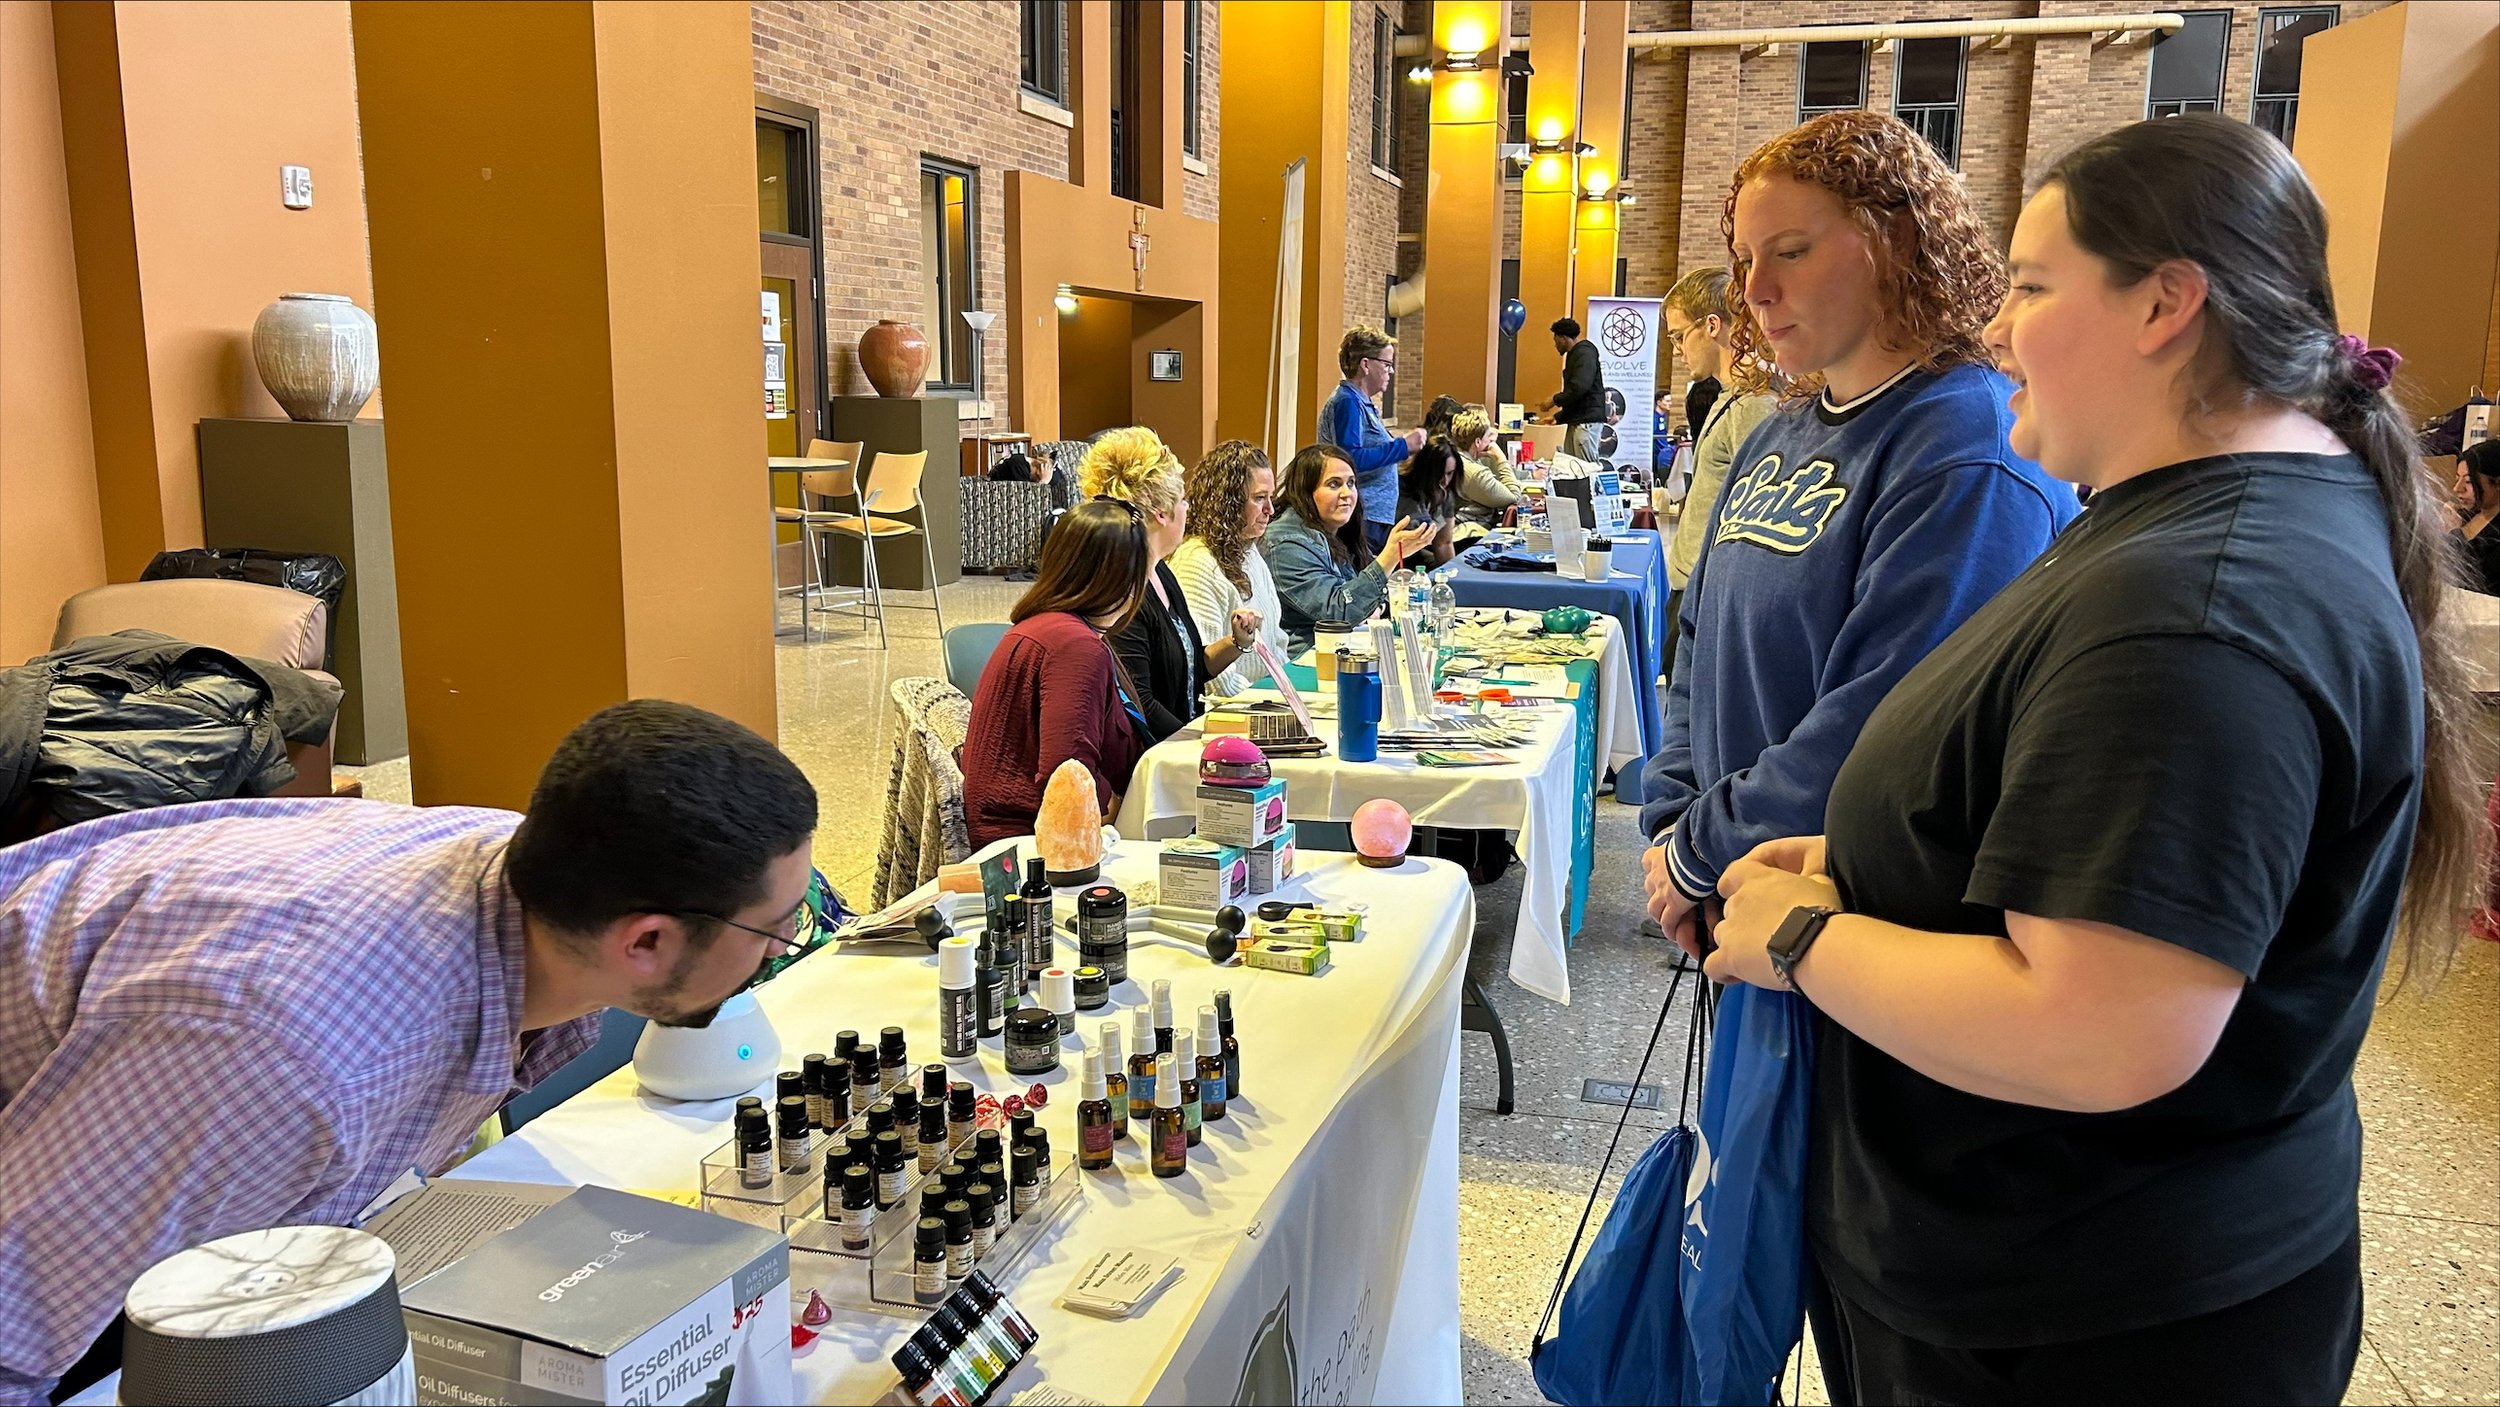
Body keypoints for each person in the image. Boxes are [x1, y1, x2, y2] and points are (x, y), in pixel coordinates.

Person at [1705, 114, 2491, 1405]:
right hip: (2068, 1269)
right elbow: (2108, 835)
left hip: (2084, 1310)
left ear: (2165, 306)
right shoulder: (2189, 520)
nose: (1999, 327)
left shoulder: (2196, 607)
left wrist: (1802, 937)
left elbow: (2105, 1032)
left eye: (2030, 285)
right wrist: (1877, 861)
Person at [0, 700, 819, 1403]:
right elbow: (13, 1336)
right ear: (644, 939)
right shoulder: (301, 1056)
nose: (784, 945)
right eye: (776, 926)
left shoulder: (512, 869)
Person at [1640, 109, 2076, 959]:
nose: (1756, 289)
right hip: (1752, 905)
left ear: (1896, 243)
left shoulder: (1968, 448)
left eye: (1791, 252)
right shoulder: (1780, 429)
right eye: (1746, 260)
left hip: (1873, 938)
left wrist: (1704, 848)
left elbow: (1888, 719)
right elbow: (1702, 637)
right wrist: (1672, 825)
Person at [962, 500, 1155, 847]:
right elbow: (1069, 780)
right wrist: (1129, 810)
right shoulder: (1075, 647)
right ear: (1122, 581)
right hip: (1035, 849)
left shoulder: (1046, 627)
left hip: (1025, 836)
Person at [1079, 428, 1260, 740]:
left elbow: (1189, 667)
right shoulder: (1123, 589)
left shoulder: (1161, 572)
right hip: (1154, 758)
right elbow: (1141, 705)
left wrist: (1236, 642)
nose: (1187, 508)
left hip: (1178, 743)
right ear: (1161, 513)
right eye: (1183, 500)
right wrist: (1198, 743)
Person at [1661, 265, 1781, 668]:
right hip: (1692, 585)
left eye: (1679, 336)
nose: (1678, 351)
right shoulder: (1727, 397)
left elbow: (1757, 519)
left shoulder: (1755, 405)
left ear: (1712, 325)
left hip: (1708, 593)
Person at [1260, 444, 1436, 652]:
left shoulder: (1338, 529)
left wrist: (1374, 606)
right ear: (1306, 491)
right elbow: (1338, 613)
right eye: (1334, 484)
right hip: (1306, 662)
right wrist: (1389, 557)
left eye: (1351, 483)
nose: (1347, 493)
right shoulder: (1284, 544)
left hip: (1346, 649)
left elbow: (1374, 594)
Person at [1170, 439, 1293, 697]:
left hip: (1264, 698)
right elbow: (1211, 675)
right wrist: (1262, 701)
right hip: (1231, 709)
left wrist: (1288, 694)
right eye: (1260, 498)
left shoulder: (1249, 551)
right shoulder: (1196, 562)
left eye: (1271, 497)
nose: (1270, 510)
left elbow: (1277, 641)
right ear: (1229, 502)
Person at [1316, 326, 1425, 553]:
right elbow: (1349, 459)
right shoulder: (1348, 402)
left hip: (1373, 514)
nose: (1391, 371)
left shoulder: (1361, 403)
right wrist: (1403, 446)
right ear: (1366, 365)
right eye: (1386, 364)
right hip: (1362, 514)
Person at [1537, 317, 1609, 460]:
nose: (1555, 345)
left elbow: (1579, 387)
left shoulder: (1584, 353)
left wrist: (1554, 400)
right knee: (1573, 467)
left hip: (1586, 422)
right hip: (1578, 420)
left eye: (1555, 340)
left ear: (1563, 338)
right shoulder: (1577, 354)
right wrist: (1558, 417)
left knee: (1585, 469)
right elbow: (1577, 395)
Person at [1450, 408, 1523, 532]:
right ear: (1478, 442)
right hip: (1471, 533)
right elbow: (1514, 498)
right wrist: (1501, 458)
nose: (1491, 442)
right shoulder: (1474, 473)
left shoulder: (1456, 458)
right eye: (1489, 437)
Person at [1396, 439, 1464, 568]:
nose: (1445, 480)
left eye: (1450, 473)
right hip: (1397, 556)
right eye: (1439, 474)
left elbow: (1444, 543)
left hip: (1418, 552)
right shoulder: (1403, 490)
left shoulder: (1446, 494)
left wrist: (1452, 578)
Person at [2453, 438, 2500, 594]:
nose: (2457, 488)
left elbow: (2478, 582)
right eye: (2456, 479)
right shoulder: (2467, 515)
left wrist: (2451, 534)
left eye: (2469, 481)